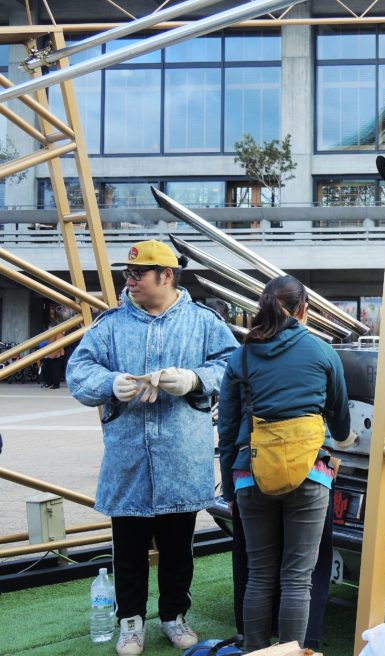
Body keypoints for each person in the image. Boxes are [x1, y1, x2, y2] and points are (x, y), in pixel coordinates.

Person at [67, 239, 237, 656]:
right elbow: (79, 370)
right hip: (129, 460)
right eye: (128, 273)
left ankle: (174, 617)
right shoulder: (109, 325)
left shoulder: (204, 322)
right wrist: (110, 384)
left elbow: (232, 366)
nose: (130, 280)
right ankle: (131, 622)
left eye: (138, 273)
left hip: (182, 457)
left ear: (167, 275)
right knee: (127, 549)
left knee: (179, 549)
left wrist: (194, 379)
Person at [217, 275, 349, 650]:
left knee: (259, 575)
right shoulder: (323, 352)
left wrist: (230, 487)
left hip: (250, 474)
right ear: (304, 309)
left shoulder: (241, 356)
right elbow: (340, 422)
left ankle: (255, 651)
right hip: (309, 473)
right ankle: (292, 652)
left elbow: (227, 430)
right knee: (297, 578)